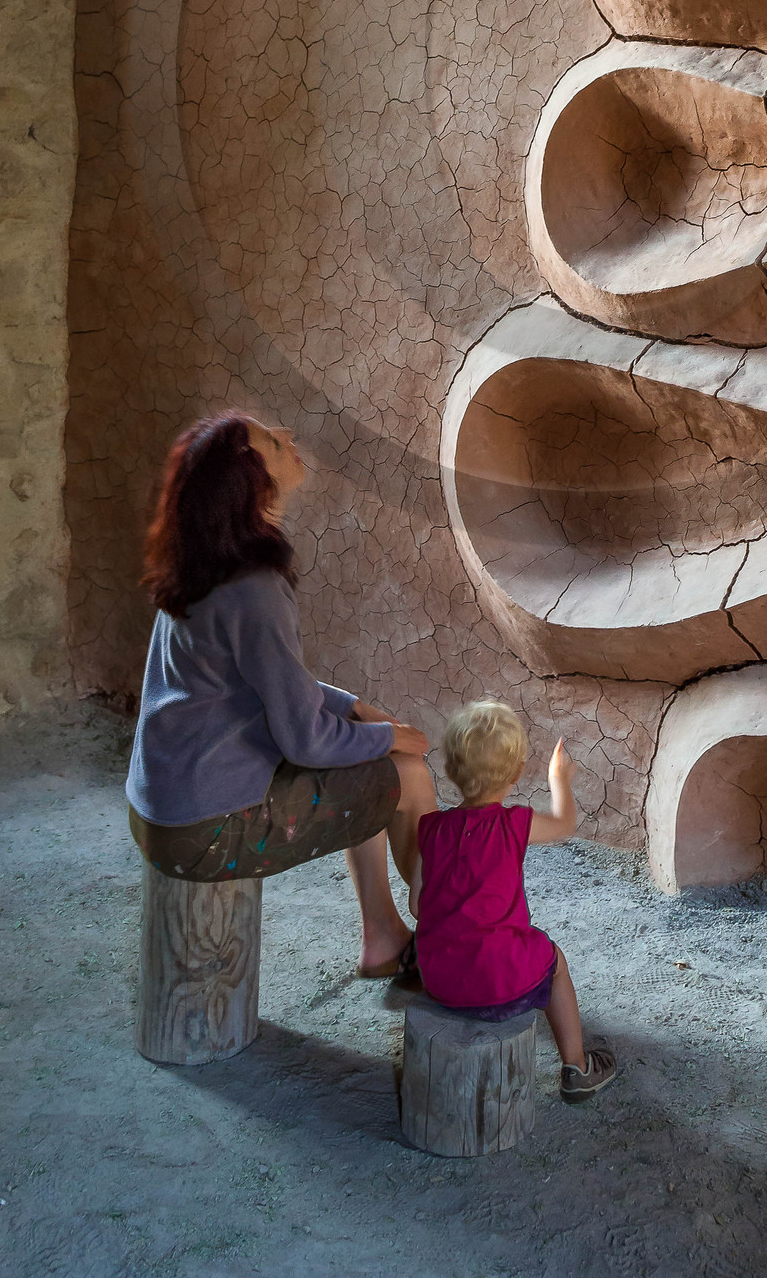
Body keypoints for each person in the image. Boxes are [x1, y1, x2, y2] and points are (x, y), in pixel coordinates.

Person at [126, 411, 434, 978]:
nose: (289, 438)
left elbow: (259, 686)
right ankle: (447, 928)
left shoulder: (203, 562)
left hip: (162, 810)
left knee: (365, 757)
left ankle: (385, 937)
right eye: (271, 440)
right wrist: (391, 735)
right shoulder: (254, 589)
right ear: (249, 481)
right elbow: (307, 741)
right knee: (408, 772)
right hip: (205, 831)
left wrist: (355, 709)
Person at [408, 699, 618, 1102]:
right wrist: (559, 779)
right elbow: (563, 823)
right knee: (554, 960)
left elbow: (418, 906)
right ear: (518, 772)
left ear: (450, 770)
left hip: (439, 980)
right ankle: (578, 1067)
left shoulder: (430, 829)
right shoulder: (513, 824)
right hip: (501, 980)